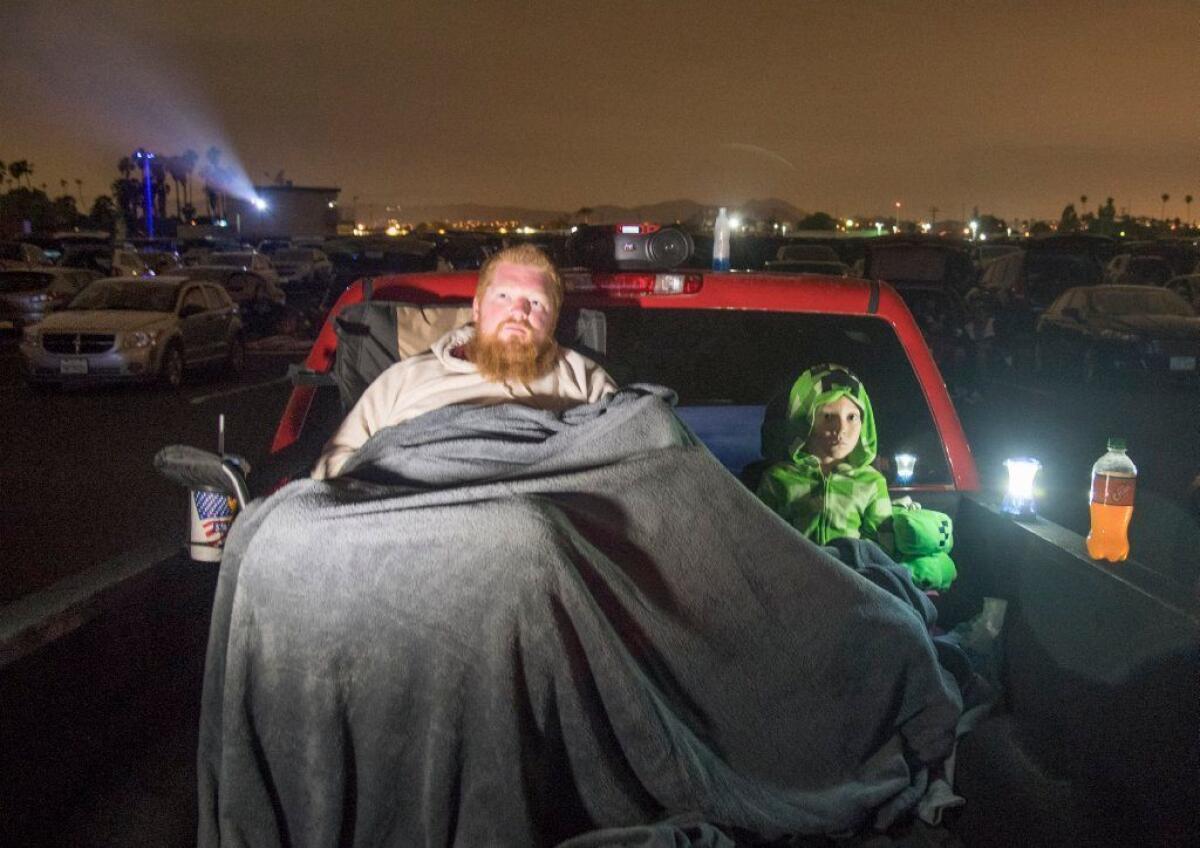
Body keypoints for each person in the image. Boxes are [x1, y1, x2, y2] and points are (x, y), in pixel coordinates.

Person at [312, 244, 616, 479]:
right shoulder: (405, 378)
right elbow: (336, 463)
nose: (519, 311)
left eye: (536, 302)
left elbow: (628, 451)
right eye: (504, 297)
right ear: (477, 309)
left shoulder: (583, 378)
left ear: (552, 320)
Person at [755, 364, 892, 545]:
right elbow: (759, 541)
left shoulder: (872, 483)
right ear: (805, 421)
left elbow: (882, 551)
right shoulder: (778, 479)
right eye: (828, 416)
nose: (841, 429)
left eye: (852, 417)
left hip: (851, 572)